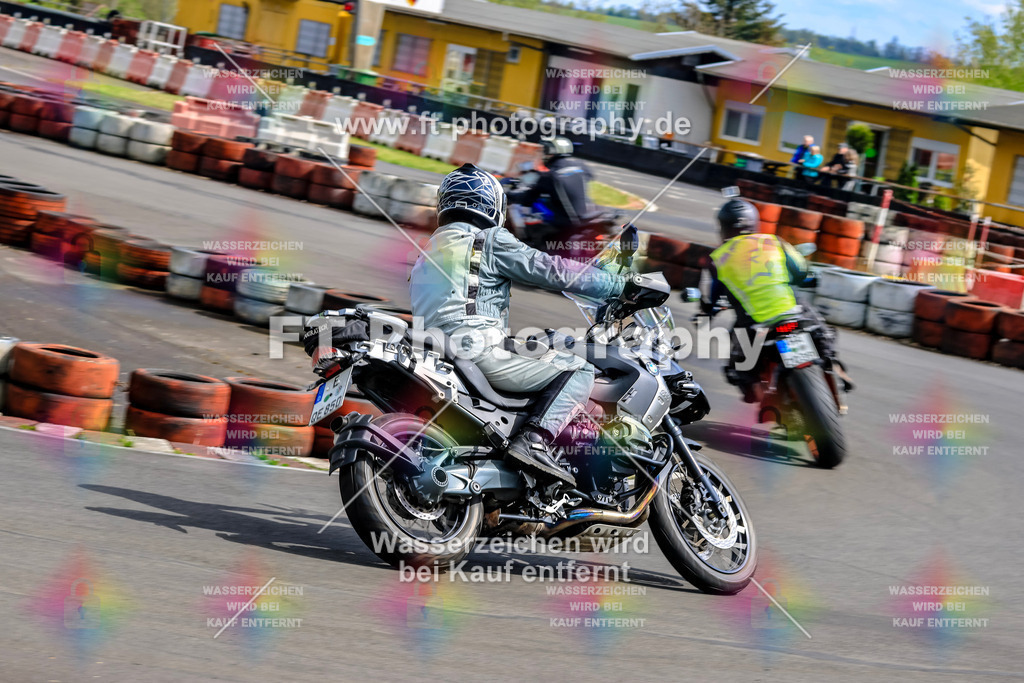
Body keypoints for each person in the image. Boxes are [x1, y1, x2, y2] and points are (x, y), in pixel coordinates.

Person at [409, 163, 626, 485]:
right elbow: (551, 269)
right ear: (491, 204)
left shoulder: (425, 253)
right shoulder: (486, 239)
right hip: (477, 349)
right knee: (578, 370)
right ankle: (535, 441)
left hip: (438, 351)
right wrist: (619, 285)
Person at [702, 196, 852, 402]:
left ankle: (763, 397)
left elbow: (714, 296)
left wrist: (709, 310)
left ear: (723, 227)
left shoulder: (718, 259)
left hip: (753, 325)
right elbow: (801, 272)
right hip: (795, 314)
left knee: (739, 371)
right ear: (754, 222)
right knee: (823, 335)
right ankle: (833, 366)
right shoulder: (774, 242)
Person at [505, 137, 603, 237]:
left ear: (551, 153)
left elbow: (528, 199)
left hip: (566, 223)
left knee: (533, 224)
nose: (544, 154)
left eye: (546, 151)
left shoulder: (549, 176)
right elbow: (589, 176)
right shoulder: (581, 165)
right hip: (588, 215)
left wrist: (510, 195)